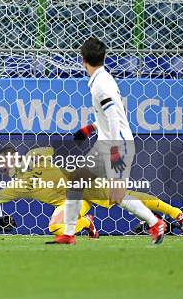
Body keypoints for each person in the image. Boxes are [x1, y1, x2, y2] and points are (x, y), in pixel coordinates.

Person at [50, 37, 166, 245]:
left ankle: (154, 222)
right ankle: (68, 234)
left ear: (83, 59)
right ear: (104, 57)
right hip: (107, 143)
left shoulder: (101, 85)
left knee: (117, 195)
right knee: (77, 180)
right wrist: (92, 127)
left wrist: (113, 149)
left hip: (116, 146)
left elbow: (113, 116)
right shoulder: (103, 80)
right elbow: (112, 114)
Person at [0, 146, 183, 237]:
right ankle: (86, 222)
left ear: (16, 156)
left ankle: (180, 216)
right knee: (56, 229)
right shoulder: (16, 186)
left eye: (8, 158)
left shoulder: (37, 154)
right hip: (72, 203)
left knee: (131, 197)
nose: (7, 163)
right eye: (2, 164)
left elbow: (65, 150)